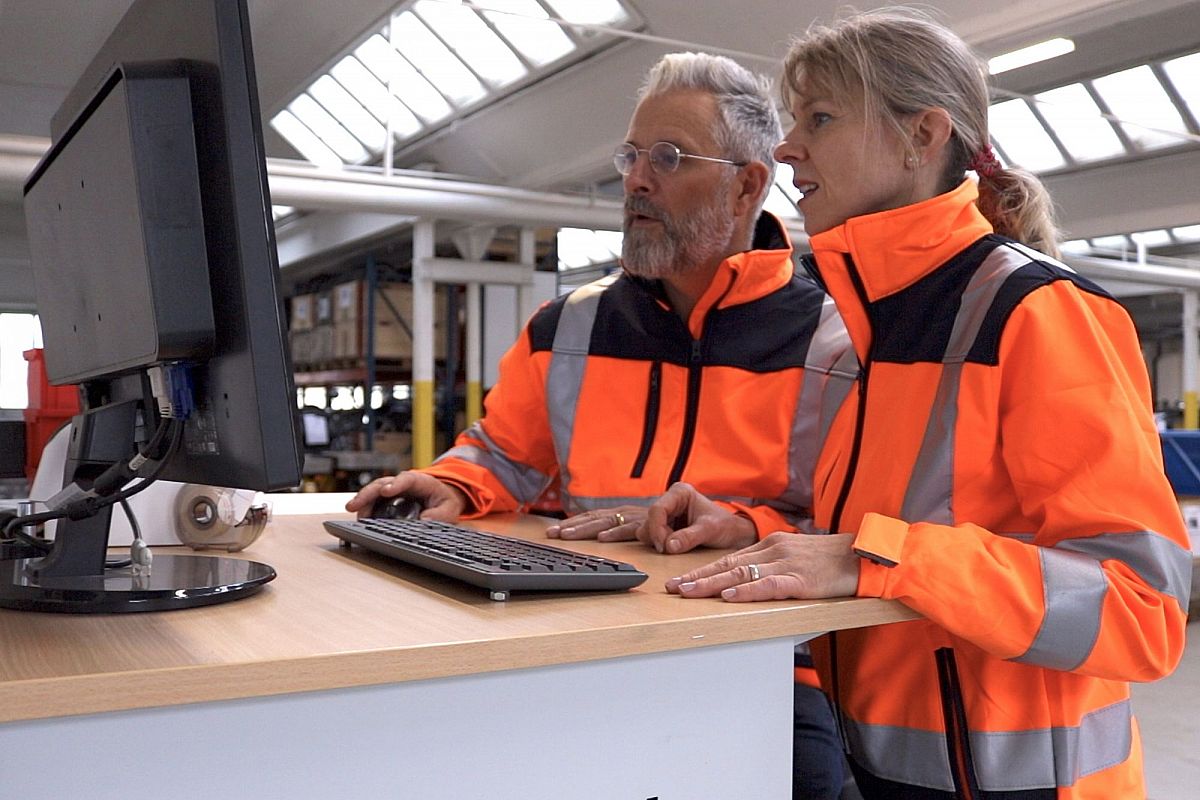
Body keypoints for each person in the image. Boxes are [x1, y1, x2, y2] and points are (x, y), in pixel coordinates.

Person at [652, 8, 1193, 800]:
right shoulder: (854, 335)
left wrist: (881, 560)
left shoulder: (1039, 314)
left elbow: (1141, 608)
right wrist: (750, 526)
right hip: (885, 773)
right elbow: (867, 535)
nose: (787, 147)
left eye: (819, 118)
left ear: (922, 135)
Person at [346, 52, 855, 799]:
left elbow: (854, 530)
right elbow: (503, 454)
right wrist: (452, 482)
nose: (636, 180)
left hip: (764, 660)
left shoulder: (834, 343)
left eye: (668, 158)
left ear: (748, 184)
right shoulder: (568, 327)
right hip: (579, 644)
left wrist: (744, 525)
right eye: (631, 156)